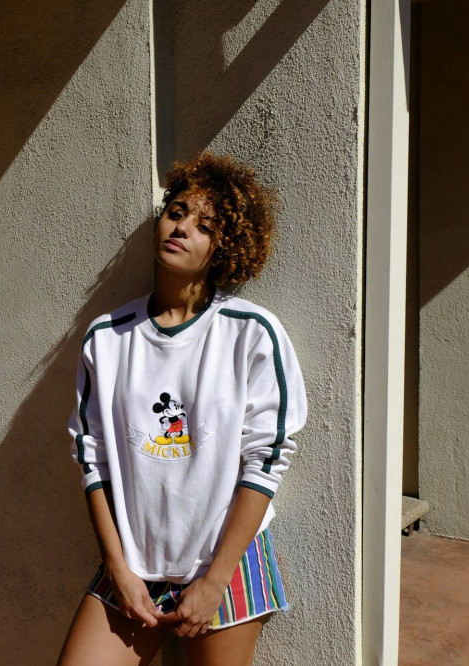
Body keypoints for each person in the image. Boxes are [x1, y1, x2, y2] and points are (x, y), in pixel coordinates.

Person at [58, 152, 308, 666]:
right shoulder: (107, 337)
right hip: (133, 561)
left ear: (224, 248)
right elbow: (92, 458)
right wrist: (117, 568)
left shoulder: (251, 332)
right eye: (176, 213)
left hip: (227, 563)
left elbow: (266, 459)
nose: (182, 228)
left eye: (205, 226)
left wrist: (215, 581)